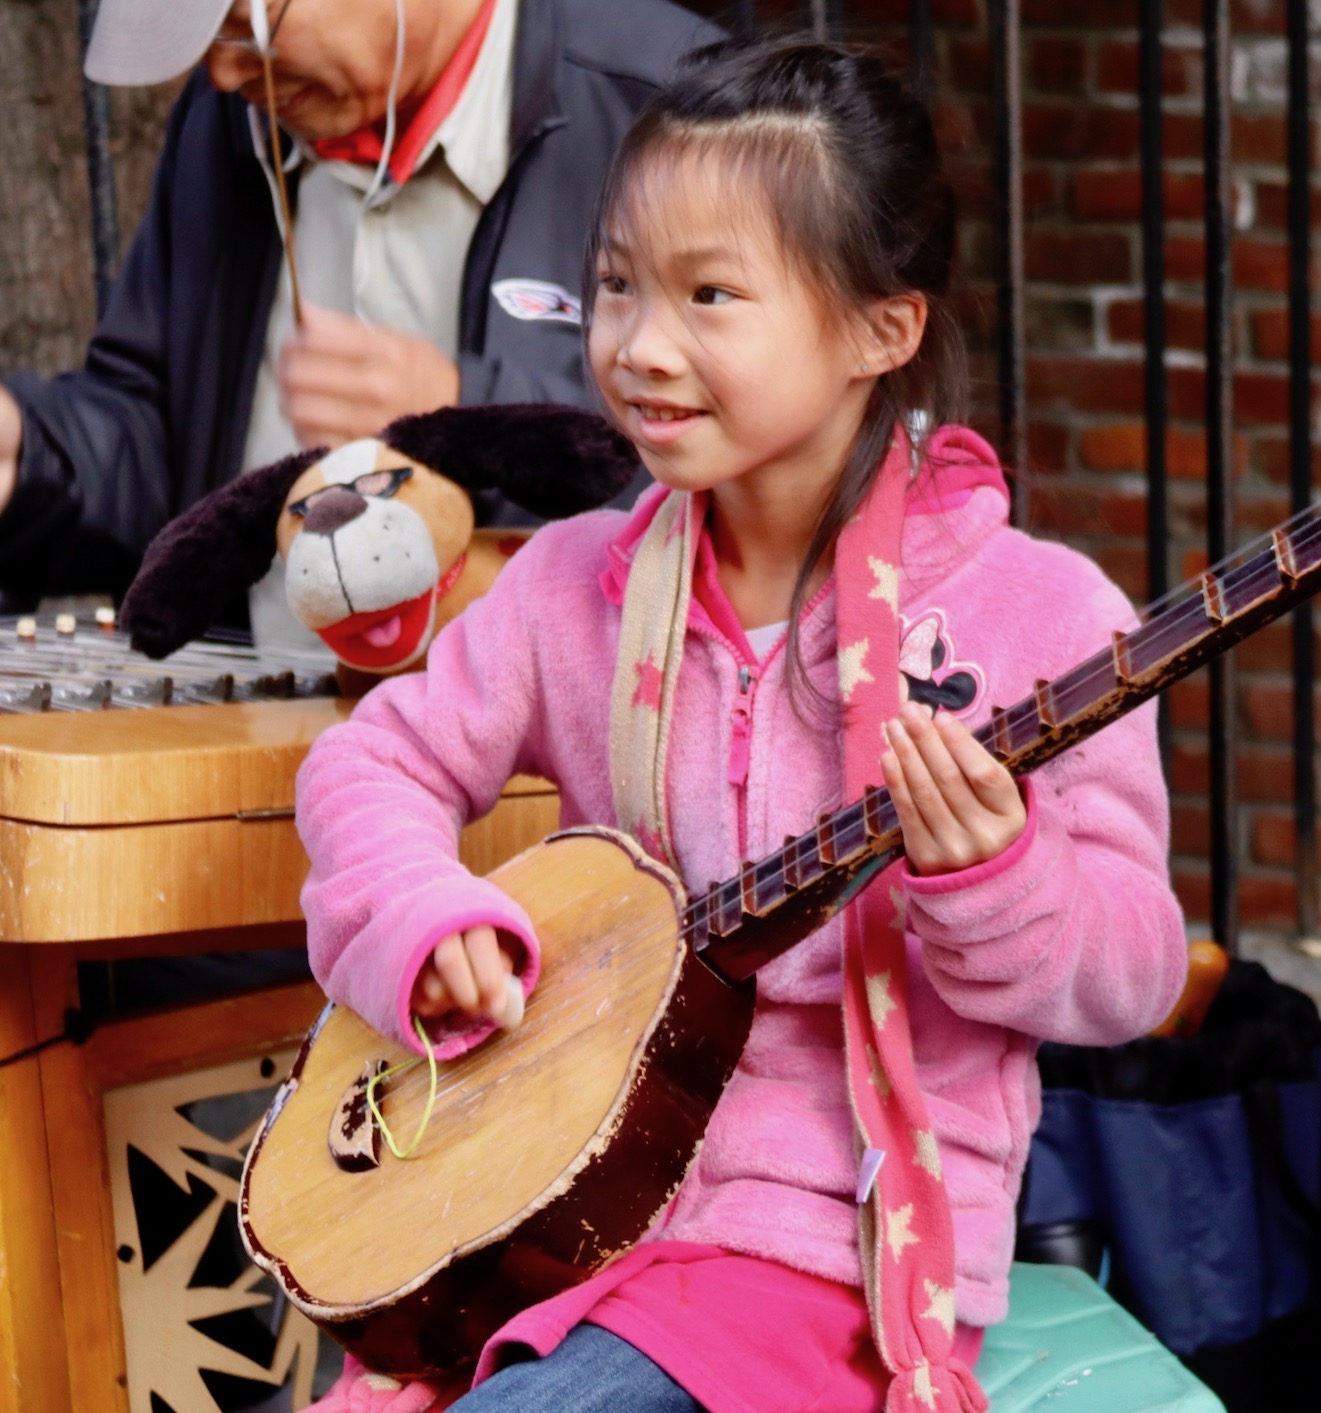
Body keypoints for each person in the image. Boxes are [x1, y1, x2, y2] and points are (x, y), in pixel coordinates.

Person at [294, 40, 1188, 1413]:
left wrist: (997, 881)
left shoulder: (1039, 614)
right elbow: (376, 759)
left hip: (819, 1252)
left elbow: (1130, 972)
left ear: (880, 333)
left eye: (711, 294)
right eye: (616, 285)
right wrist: (421, 916)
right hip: (541, 1203)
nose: (641, 345)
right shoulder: (570, 588)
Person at [0, 0, 714, 637]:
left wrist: (465, 423)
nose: (222, 72)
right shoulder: (233, 116)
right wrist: (27, 455)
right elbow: (164, 445)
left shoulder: (666, 104)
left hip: (547, 759)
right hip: (253, 734)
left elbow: (765, 467)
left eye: (246, 21)